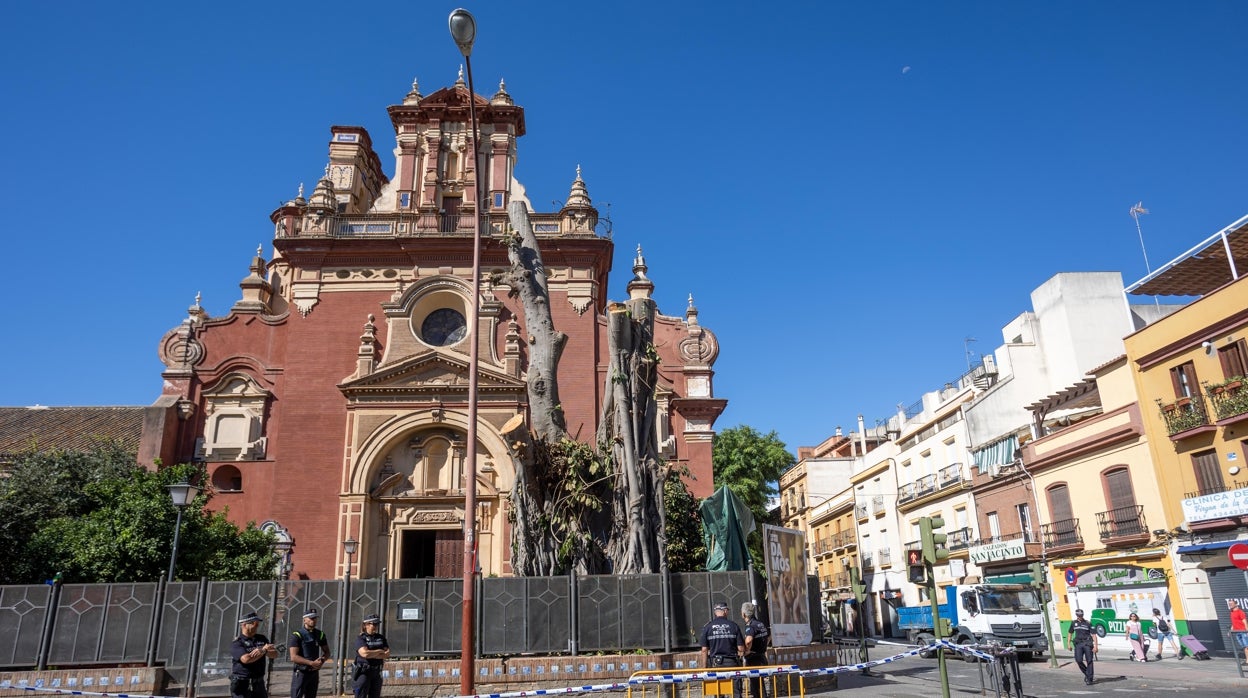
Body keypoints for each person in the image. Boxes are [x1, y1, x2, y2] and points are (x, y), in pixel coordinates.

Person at [699, 602, 745, 698]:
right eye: (727, 610)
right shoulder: (733, 626)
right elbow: (741, 648)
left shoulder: (707, 627)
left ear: (715, 612)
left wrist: (704, 668)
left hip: (716, 665)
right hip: (732, 663)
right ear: (725, 611)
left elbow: (704, 650)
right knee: (736, 691)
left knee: (719, 691)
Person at [230, 611, 278, 698]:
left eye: (257, 623)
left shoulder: (262, 638)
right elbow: (246, 659)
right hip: (242, 683)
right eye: (254, 623)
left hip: (258, 682)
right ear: (244, 625)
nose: (257, 625)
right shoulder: (238, 642)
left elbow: (274, 654)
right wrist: (263, 650)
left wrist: (263, 651)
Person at [289, 608, 331, 698]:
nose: (314, 620)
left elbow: (327, 652)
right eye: (311, 618)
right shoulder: (297, 634)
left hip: (314, 673)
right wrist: (311, 663)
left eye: (315, 618)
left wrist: (322, 661)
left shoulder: (320, 634)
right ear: (304, 620)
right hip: (301, 672)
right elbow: (293, 657)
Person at [353, 613, 390, 698]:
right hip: (363, 672)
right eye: (372, 623)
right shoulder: (361, 638)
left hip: (376, 672)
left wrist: (372, 653)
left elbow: (387, 654)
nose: (374, 626)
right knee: (361, 695)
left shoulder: (380, 638)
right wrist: (379, 651)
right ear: (366, 625)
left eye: (376, 624)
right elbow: (364, 653)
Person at [741, 602, 771, 698]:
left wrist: (746, 650)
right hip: (762, 656)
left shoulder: (751, 625)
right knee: (760, 685)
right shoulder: (760, 623)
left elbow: (748, 640)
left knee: (756, 686)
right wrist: (763, 646)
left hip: (754, 659)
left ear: (744, 614)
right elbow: (769, 636)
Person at [1067, 609, 1098, 685]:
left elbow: (1094, 635)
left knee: (1089, 661)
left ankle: (1089, 679)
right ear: (1076, 615)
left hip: (1087, 643)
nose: (1080, 617)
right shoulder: (1074, 623)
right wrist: (1068, 644)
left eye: (1081, 615)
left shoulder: (1088, 623)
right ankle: (1088, 674)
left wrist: (1096, 646)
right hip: (1078, 644)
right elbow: (1070, 633)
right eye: (1078, 615)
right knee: (1078, 660)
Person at [1230, 599, 1248, 664]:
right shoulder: (1232, 612)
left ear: (1236, 604)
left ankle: (1247, 660)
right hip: (1237, 632)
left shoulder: (1240, 612)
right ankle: (1247, 659)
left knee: (1246, 646)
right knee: (1244, 646)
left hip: (1243, 631)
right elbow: (1234, 622)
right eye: (1229, 604)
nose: (1230, 605)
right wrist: (1230, 630)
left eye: (1231, 604)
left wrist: (1247, 631)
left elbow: (1244, 621)